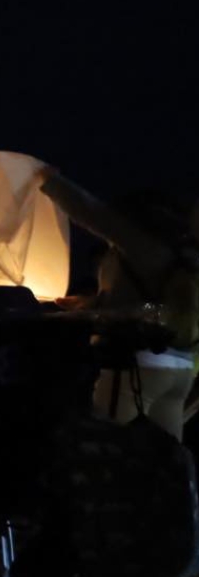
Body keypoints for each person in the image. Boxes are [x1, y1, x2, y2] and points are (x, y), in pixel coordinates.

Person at [40, 169, 199, 440]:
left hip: (134, 366)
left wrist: (41, 176)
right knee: (162, 459)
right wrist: (88, 304)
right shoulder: (183, 257)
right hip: (180, 372)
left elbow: (87, 210)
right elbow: (153, 305)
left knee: (111, 447)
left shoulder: (141, 245)